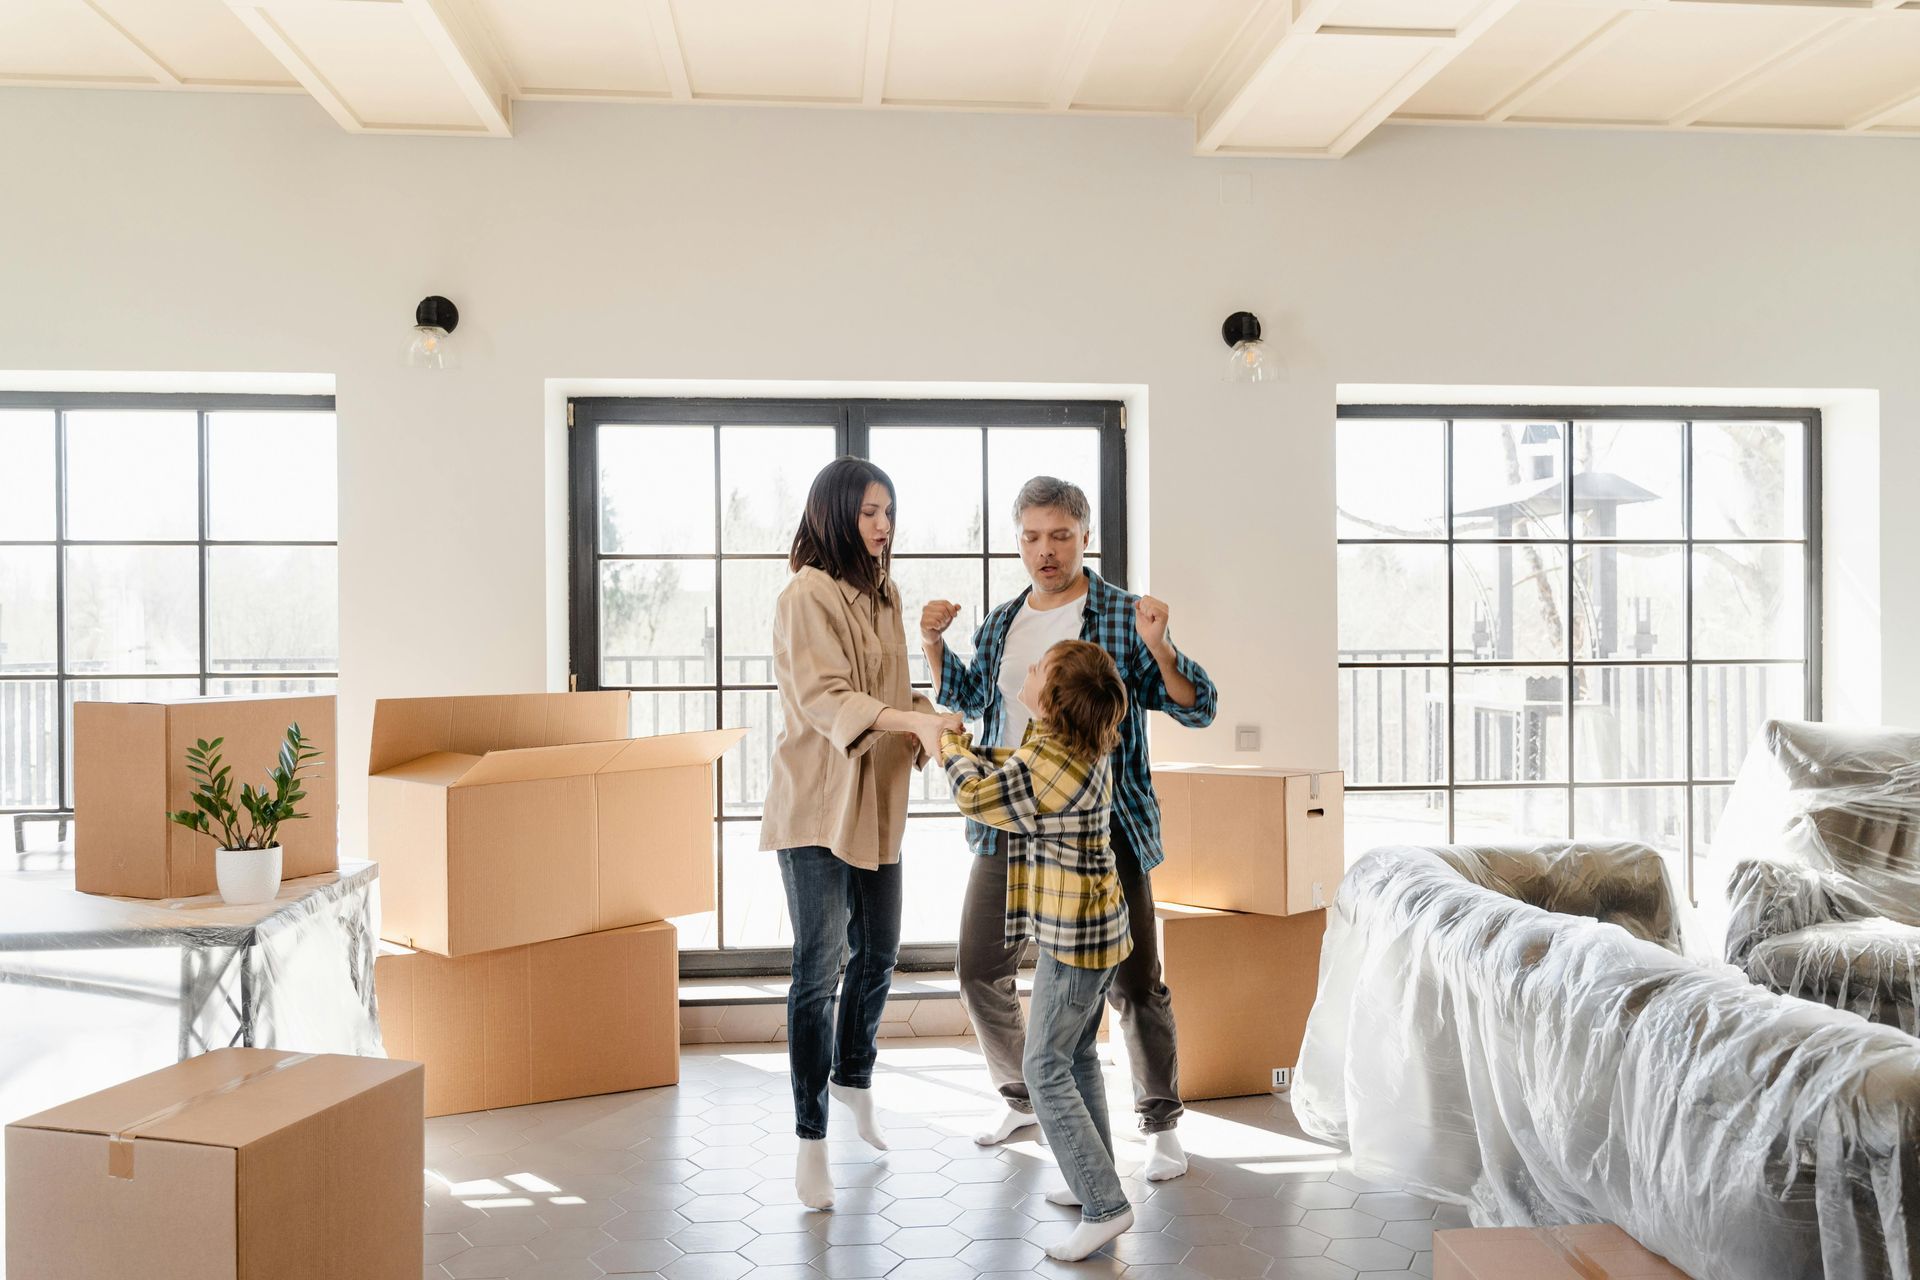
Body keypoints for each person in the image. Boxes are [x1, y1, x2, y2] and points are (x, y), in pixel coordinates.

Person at [923, 475, 1218, 1182]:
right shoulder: (1002, 621)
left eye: (1060, 535)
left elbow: (1196, 706)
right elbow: (966, 695)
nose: (1045, 550)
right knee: (977, 968)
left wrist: (1163, 649)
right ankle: (1026, 1095)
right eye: (1031, 537)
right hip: (1015, 823)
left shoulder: (1122, 616)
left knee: (1136, 980)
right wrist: (932, 640)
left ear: (1086, 536)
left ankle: (1159, 1120)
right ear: (1018, 540)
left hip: (1103, 829)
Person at [761, 456, 960, 1211]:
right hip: (816, 806)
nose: (884, 525)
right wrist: (910, 720)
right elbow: (825, 698)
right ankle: (810, 1139)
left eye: (890, 512)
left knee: (879, 952)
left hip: (875, 802)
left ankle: (853, 1081)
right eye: (871, 512)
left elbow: (882, 692)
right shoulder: (804, 595)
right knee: (819, 969)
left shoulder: (886, 594)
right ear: (836, 514)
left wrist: (928, 711)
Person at [940, 639, 1135, 1262]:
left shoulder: (1052, 766)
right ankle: (1092, 1186)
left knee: (1042, 1069)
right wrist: (969, 746)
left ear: (1051, 702)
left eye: (1036, 672)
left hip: (1077, 942)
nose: (1025, 673)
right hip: (1092, 931)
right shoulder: (1069, 744)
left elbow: (979, 797)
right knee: (1075, 1056)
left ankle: (1106, 1206)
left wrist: (946, 749)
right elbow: (1015, 762)